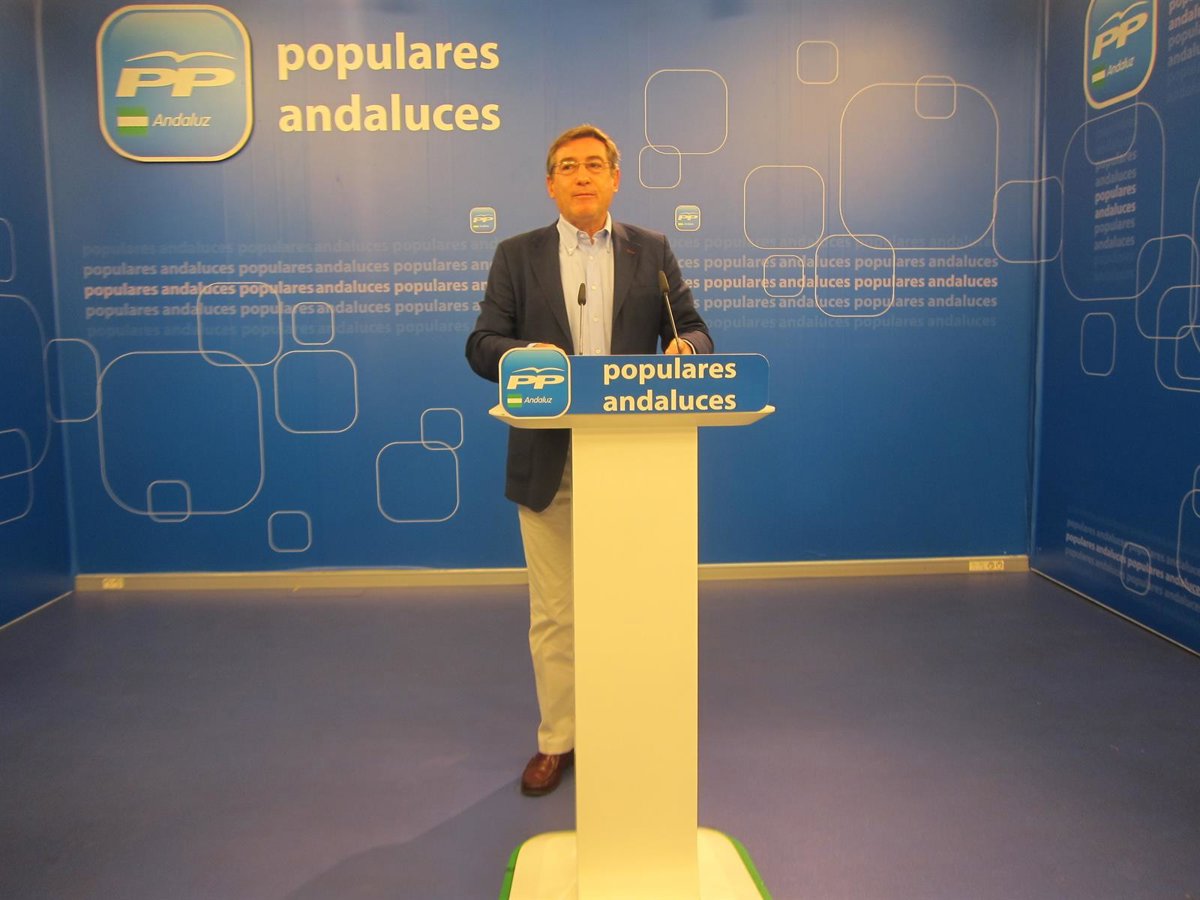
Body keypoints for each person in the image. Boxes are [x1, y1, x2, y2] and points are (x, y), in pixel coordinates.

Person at [465, 124, 712, 796]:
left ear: (614, 179)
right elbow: (482, 344)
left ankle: (627, 727)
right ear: (551, 184)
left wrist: (686, 348)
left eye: (594, 165)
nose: (582, 176)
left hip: (636, 460)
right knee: (556, 612)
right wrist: (523, 356)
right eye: (569, 166)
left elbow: (692, 327)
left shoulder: (651, 250)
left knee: (635, 605)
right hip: (552, 460)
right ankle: (560, 739)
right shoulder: (516, 255)